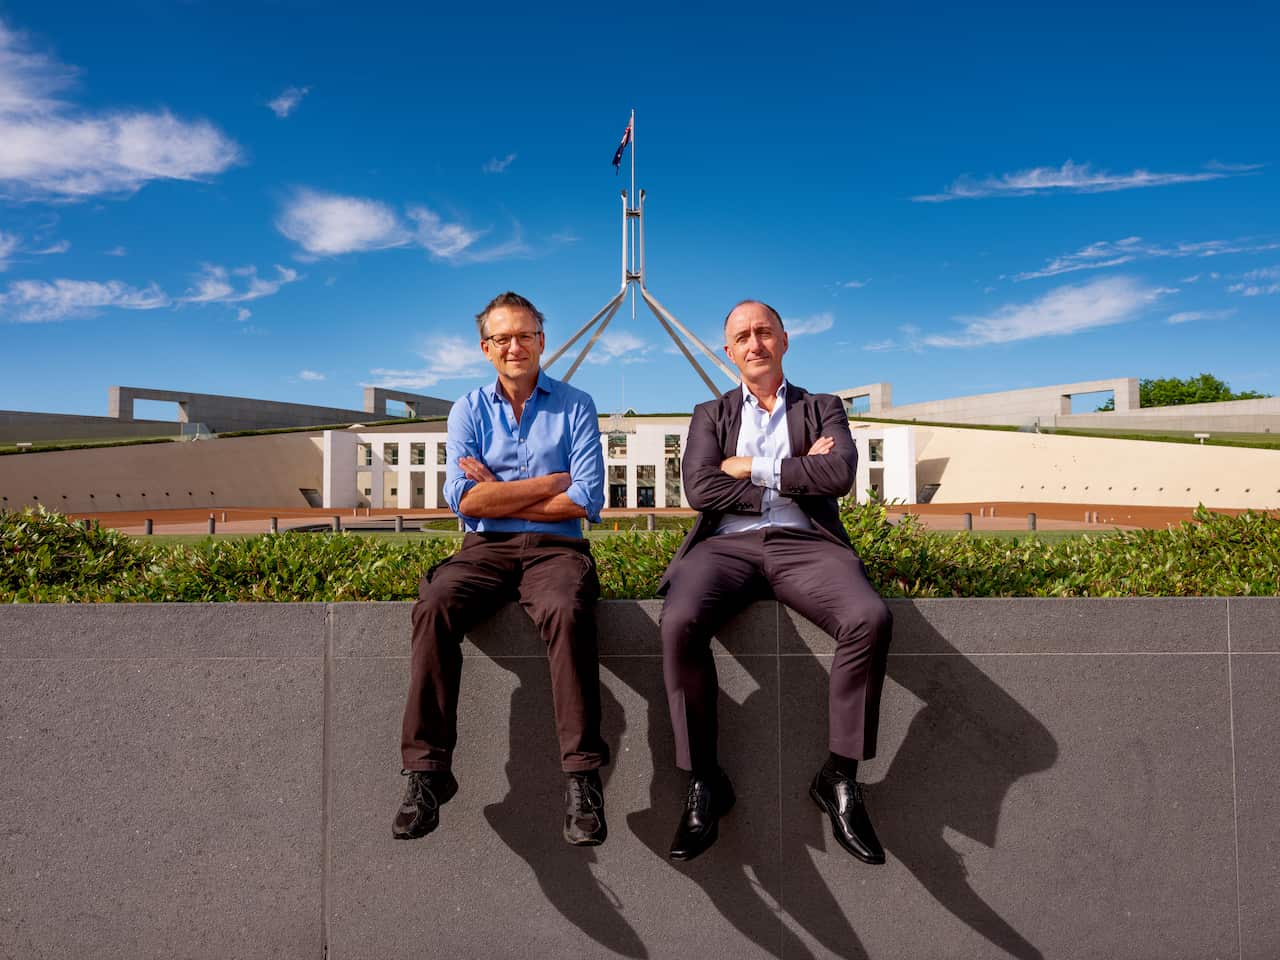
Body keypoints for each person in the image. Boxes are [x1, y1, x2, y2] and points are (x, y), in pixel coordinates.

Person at [659, 300, 893, 863]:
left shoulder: (823, 407)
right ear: (729, 352)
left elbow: (837, 476)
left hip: (805, 545)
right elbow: (700, 490)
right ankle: (705, 780)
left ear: (785, 340)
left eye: (764, 332)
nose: (754, 343)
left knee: (869, 618)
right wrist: (794, 473)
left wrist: (752, 468)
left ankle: (838, 777)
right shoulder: (708, 414)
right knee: (680, 621)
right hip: (725, 548)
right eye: (742, 336)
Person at [394, 291, 610, 846]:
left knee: (565, 608)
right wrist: (545, 484)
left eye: (526, 336)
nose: (515, 346)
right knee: (436, 603)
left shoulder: (576, 405)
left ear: (542, 341)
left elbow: (586, 497)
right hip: (484, 550)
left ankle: (583, 778)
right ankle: (427, 774)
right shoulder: (468, 408)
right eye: (503, 338)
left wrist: (499, 490)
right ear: (485, 347)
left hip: (556, 549)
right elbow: (464, 501)